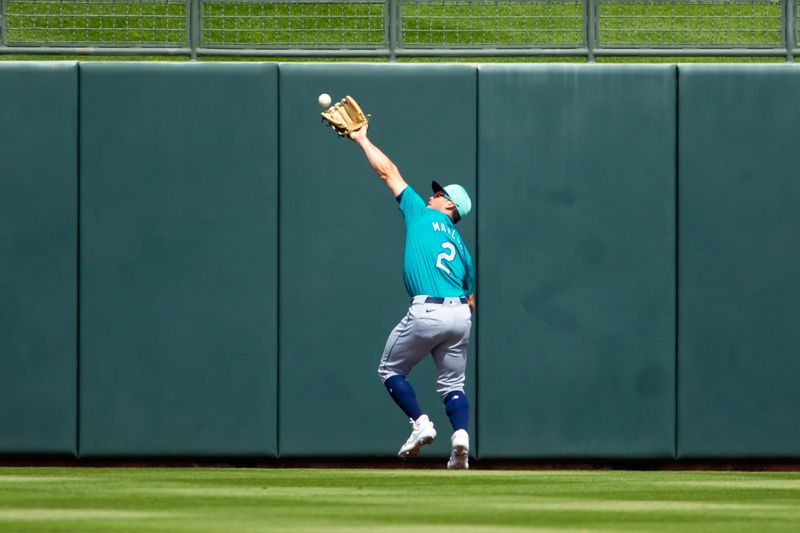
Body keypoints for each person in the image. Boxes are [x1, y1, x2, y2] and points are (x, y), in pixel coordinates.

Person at [349, 124, 475, 470]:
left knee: (390, 370)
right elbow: (471, 296)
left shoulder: (421, 211)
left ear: (448, 204)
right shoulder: (461, 246)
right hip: (460, 315)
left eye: (438, 193)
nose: (432, 194)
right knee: (452, 384)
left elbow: (387, 171)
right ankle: (460, 436)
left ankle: (420, 424)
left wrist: (361, 139)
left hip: (428, 310)